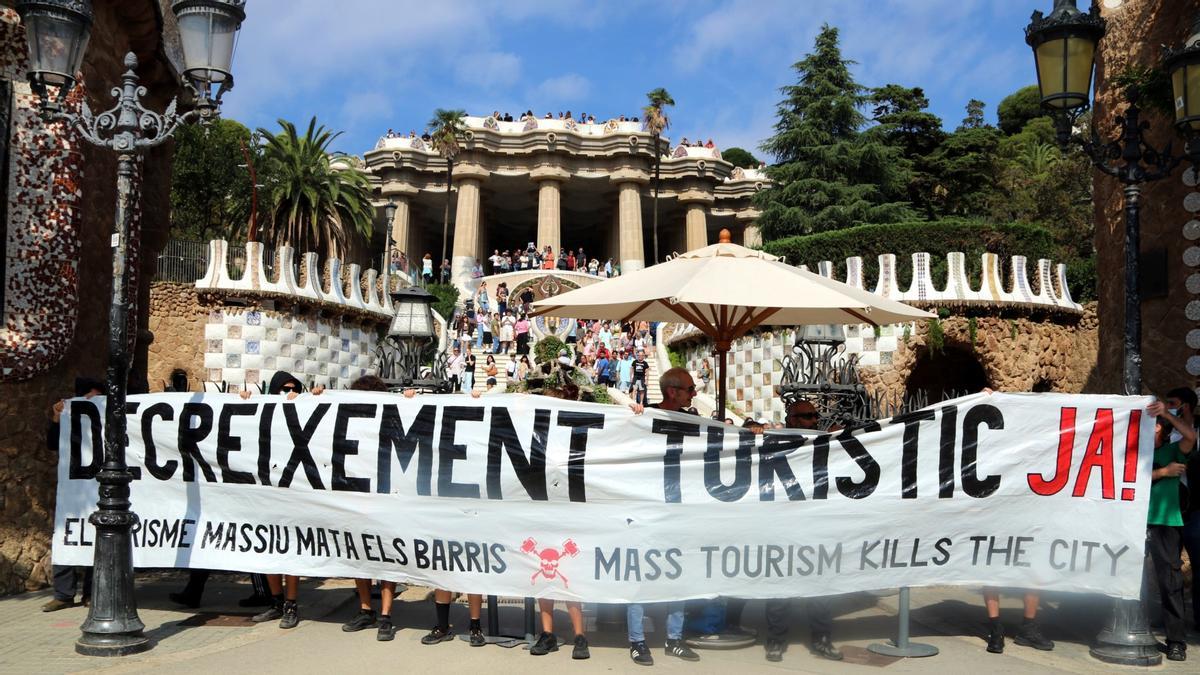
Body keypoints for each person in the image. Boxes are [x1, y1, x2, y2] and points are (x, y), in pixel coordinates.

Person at [626, 368, 701, 665]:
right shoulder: (643, 417)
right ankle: (637, 640)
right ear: (673, 391)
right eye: (690, 388)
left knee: (678, 577)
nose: (694, 394)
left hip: (678, 511)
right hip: (647, 511)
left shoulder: (693, 419)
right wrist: (632, 416)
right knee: (639, 577)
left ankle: (674, 639)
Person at [763, 398, 843, 662]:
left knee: (820, 586)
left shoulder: (825, 443)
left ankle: (821, 639)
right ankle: (775, 640)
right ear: (792, 419)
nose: (811, 421)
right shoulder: (772, 440)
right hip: (783, 525)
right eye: (805, 416)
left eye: (813, 416)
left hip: (816, 525)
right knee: (780, 587)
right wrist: (752, 432)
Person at [251, 372, 325, 629]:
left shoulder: (301, 408)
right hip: (268, 490)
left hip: (293, 491)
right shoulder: (265, 411)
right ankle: (276, 601)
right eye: (282, 389)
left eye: (292, 388)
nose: (287, 392)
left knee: (290, 550)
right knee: (270, 549)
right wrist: (245, 401)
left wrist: (312, 397)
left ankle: (291, 604)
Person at [340, 376, 403, 640]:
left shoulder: (389, 418)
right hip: (356, 494)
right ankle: (366, 609)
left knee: (386, 556)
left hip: (385, 496)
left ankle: (386, 615)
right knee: (359, 555)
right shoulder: (347, 419)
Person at [42, 377, 105, 612]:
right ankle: (63, 594)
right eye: (89, 399)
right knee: (65, 536)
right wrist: (58, 419)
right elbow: (52, 444)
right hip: (74, 491)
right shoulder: (70, 417)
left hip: (100, 489)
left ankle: (91, 593)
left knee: (96, 540)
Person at [1144, 400, 1195, 661]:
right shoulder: (1135, 453)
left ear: (1161, 428)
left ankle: (1176, 641)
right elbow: (1130, 477)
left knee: (1171, 583)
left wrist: (1167, 413)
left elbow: (1190, 435)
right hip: (1135, 521)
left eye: (1154, 424)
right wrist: (1164, 472)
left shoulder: (1173, 449)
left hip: (1166, 522)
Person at [1165, 387, 1200, 631]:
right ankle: (1171, 622)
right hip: (1171, 508)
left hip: (1196, 510)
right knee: (1169, 568)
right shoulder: (1166, 436)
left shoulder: (1194, 434)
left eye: (1173, 403)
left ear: (1185, 406)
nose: (1169, 407)